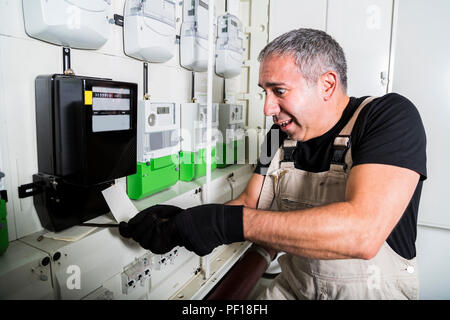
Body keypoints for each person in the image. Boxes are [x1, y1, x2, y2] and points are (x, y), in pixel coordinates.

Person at [119, 28, 427, 299]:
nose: (268, 108)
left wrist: (223, 224)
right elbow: (250, 203)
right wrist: (181, 224)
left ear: (327, 85)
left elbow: (362, 233)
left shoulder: (388, 117)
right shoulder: (277, 136)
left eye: (279, 91)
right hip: (297, 288)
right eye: (264, 92)